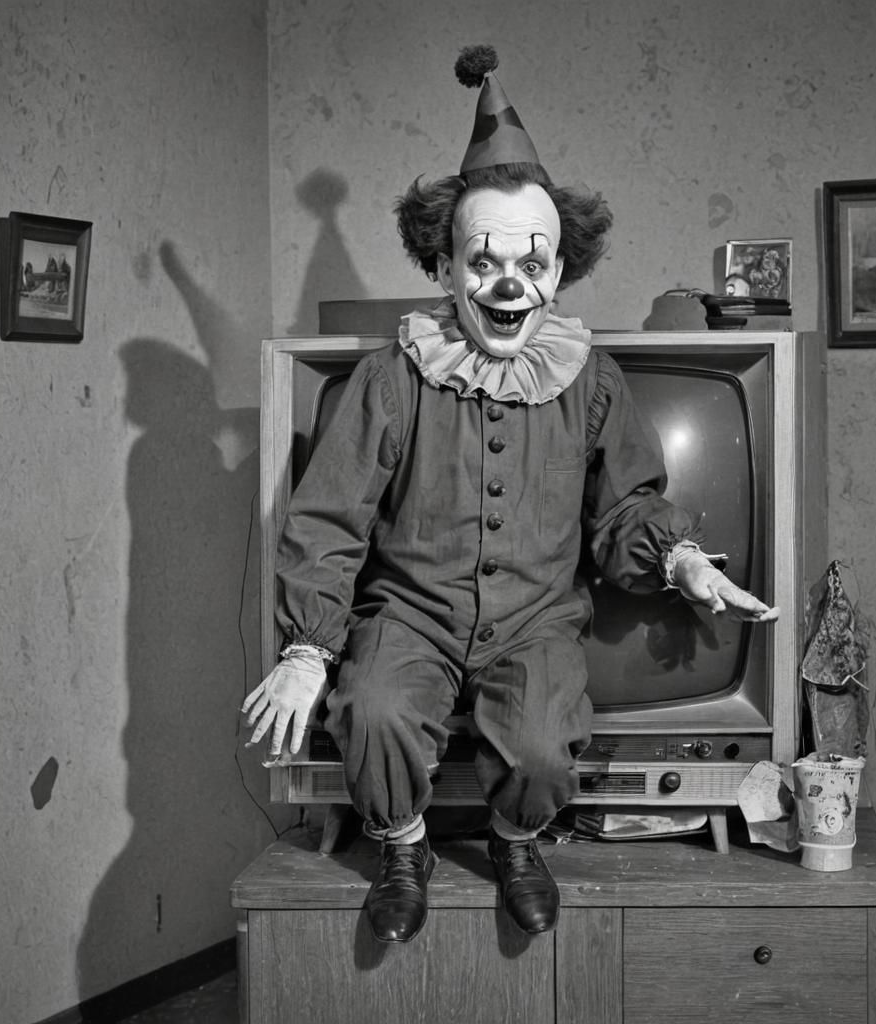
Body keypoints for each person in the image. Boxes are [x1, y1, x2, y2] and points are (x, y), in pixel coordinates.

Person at [243, 46, 779, 944]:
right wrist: (307, 650)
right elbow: (329, 519)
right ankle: (402, 846)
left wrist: (682, 560)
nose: (507, 285)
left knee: (540, 742)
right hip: (408, 617)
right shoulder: (391, 378)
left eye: (531, 265)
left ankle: (516, 841)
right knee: (372, 710)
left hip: (535, 621)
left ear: (559, 272)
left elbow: (624, 507)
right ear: (446, 266)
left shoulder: (591, 380)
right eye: (482, 260)